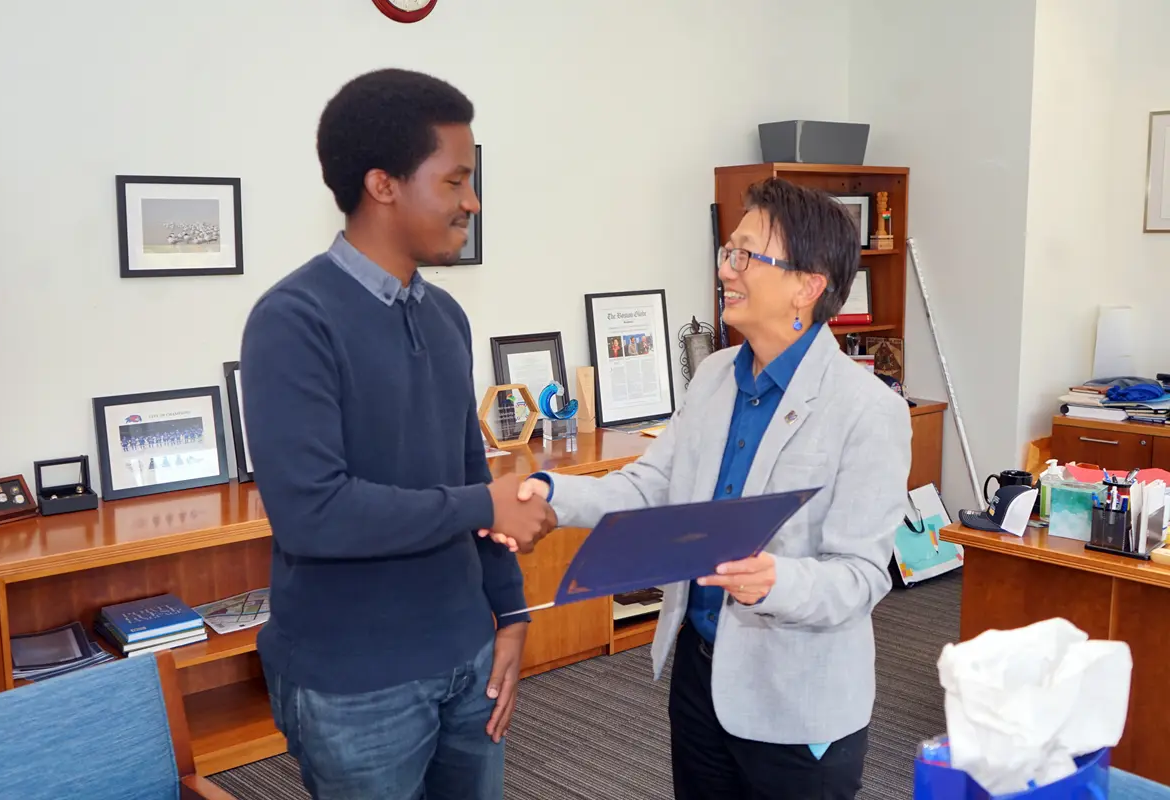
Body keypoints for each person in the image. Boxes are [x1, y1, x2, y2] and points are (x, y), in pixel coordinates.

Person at [485, 177, 912, 799]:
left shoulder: (867, 410)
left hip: (798, 704)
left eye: (746, 257)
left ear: (807, 285)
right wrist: (550, 491)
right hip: (702, 674)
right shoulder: (714, 376)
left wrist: (777, 581)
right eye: (727, 254)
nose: (726, 272)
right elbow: (653, 485)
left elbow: (862, 575)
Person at [239, 68, 556, 800]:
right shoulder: (293, 321)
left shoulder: (446, 319)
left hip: (467, 654)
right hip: (356, 682)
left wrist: (509, 614)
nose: (472, 201)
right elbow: (315, 514)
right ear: (383, 184)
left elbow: (470, 471)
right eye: (455, 181)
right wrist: (486, 506)